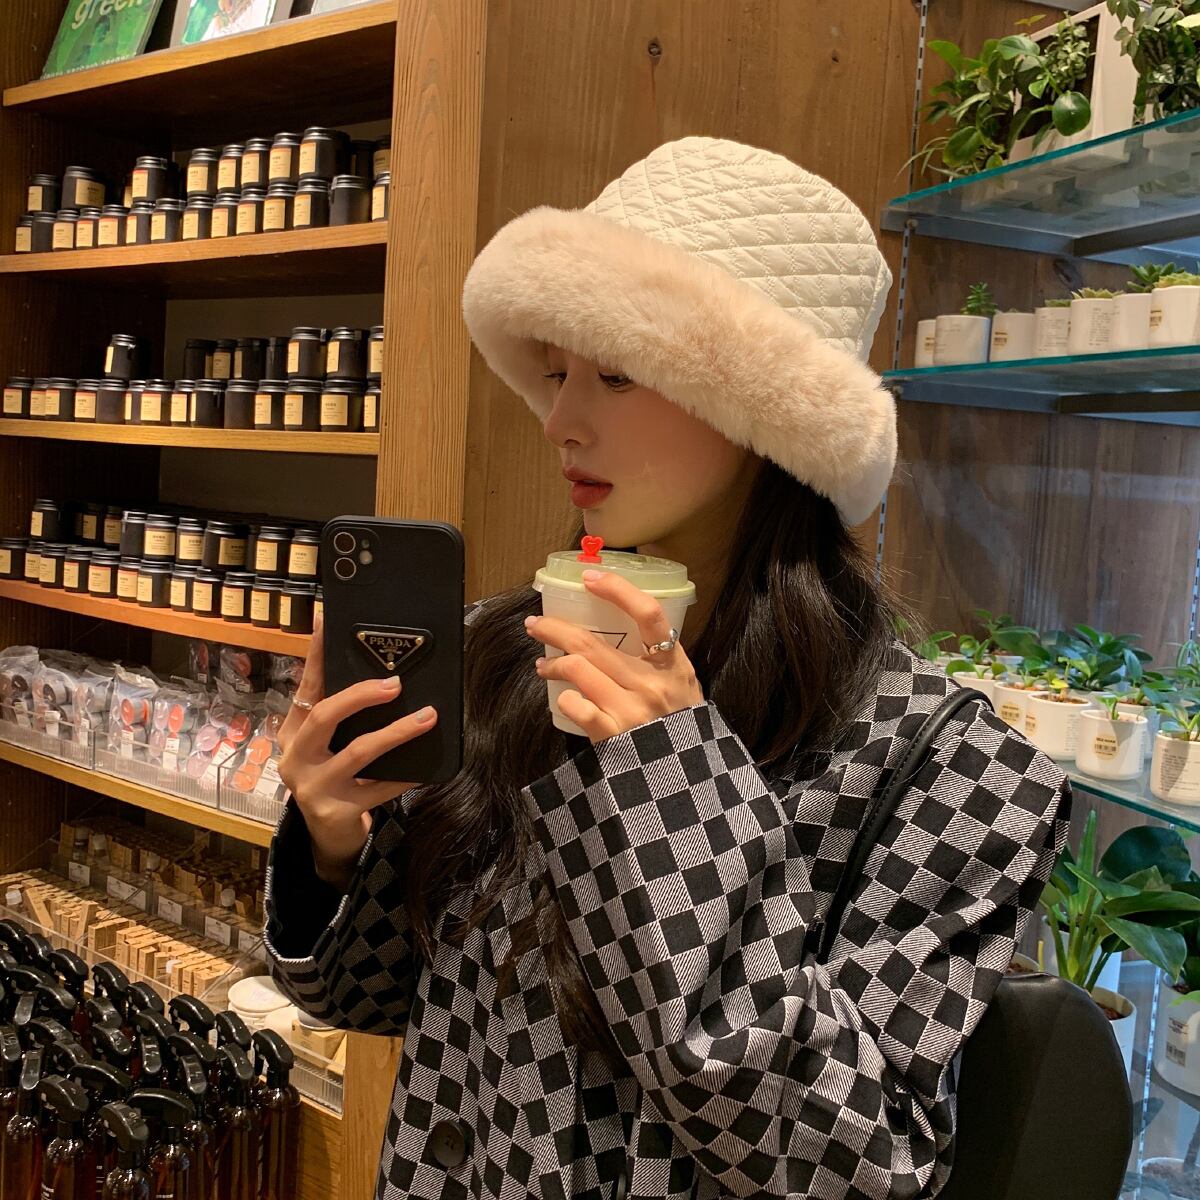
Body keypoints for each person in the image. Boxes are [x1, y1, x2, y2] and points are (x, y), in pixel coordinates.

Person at [266, 138, 1070, 1200]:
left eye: (616, 373)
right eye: (556, 372)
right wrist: (332, 845)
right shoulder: (503, 654)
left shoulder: (956, 774)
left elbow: (860, 1167)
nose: (560, 420)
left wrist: (676, 788)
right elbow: (377, 1001)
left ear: (761, 409)